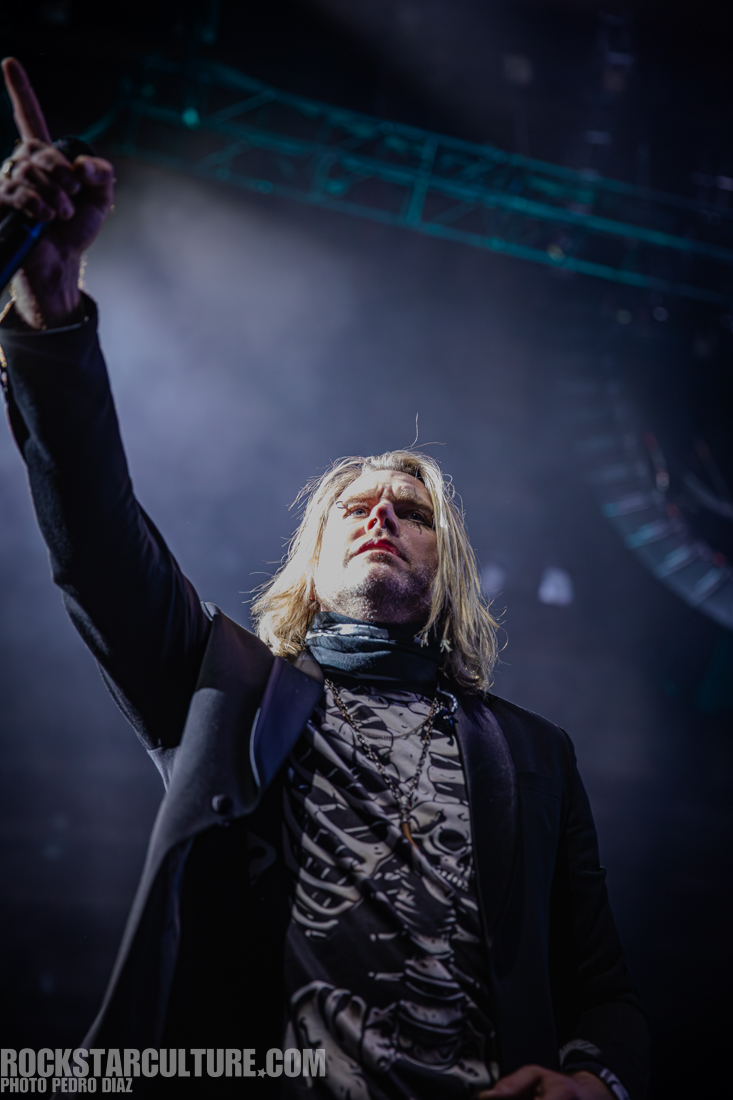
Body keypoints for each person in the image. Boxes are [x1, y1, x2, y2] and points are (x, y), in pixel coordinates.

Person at [0, 58, 649, 1100]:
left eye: (413, 509)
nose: (381, 512)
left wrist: (594, 1080)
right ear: (311, 564)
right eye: (354, 507)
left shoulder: (534, 752)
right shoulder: (227, 687)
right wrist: (53, 305)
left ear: (450, 574)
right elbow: (99, 545)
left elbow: (602, 986)